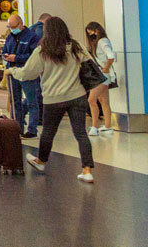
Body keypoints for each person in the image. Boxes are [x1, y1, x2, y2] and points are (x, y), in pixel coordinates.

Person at [7, 16, 96, 183]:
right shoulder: (76, 47)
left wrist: (12, 71)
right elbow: (90, 65)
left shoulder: (42, 51)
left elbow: (28, 73)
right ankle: (87, 170)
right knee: (81, 133)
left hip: (53, 99)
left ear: (47, 32)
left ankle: (41, 161)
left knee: (48, 132)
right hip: (77, 95)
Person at [1, 14, 43, 138]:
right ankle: (17, 128)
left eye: (14, 27)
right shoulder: (10, 36)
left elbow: (33, 56)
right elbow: (4, 51)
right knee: (15, 101)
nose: (12, 29)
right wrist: (5, 56)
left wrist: (17, 57)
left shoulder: (32, 37)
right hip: (12, 72)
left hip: (27, 73)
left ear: (20, 24)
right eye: (10, 27)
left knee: (32, 102)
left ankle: (32, 130)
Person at [84, 21, 116, 135]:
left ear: (96, 30)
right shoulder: (102, 41)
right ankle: (108, 126)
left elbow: (111, 56)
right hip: (104, 74)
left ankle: (94, 126)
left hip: (102, 75)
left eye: (91, 31)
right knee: (103, 101)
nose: (91, 34)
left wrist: (106, 68)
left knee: (91, 99)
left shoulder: (102, 42)